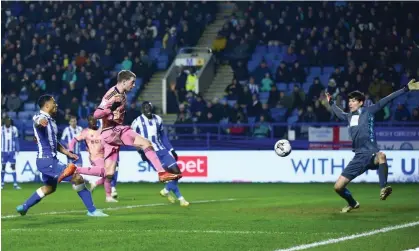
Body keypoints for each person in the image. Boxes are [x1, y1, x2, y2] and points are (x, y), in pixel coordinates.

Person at [327, 79, 419, 213]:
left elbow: (387, 99)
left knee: (382, 156)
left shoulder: (368, 111)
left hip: (371, 154)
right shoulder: (348, 117)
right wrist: (331, 102)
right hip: (358, 157)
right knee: (338, 187)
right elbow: (338, 112)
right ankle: (352, 203)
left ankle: (383, 187)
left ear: (360, 103)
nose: (350, 103)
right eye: (350, 101)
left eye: (353, 101)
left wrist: (405, 89)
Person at [16, 95, 107, 217]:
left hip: (48, 160)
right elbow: (37, 120)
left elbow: (55, 143)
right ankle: (92, 210)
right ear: (47, 105)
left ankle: (24, 207)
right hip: (47, 161)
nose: (56, 105)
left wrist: (67, 152)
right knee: (77, 177)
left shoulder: (51, 121)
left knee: (49, 188)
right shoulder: (41, 117)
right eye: (54, 103)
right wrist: (39, 122)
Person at [93, 70, 181, 189]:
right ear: (124, 82)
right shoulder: (111, 95)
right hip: (110, 131)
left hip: (117, 129)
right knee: (143, 144)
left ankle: (162, 173)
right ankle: (161, 173)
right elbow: (96, 114)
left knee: (144, 144)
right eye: (132, 82)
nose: (134, 85)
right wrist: (110, 109)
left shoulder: (123, 94)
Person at [132, 101, 189, 206]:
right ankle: (181, 199)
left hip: (162, 151)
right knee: (168, 177)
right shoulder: (136, 122)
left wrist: (171, 150)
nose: (147, 109)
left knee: (177, 173)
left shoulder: (158, 119)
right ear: (142, 110)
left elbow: (163, 136)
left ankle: (166, 191)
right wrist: (141, 153)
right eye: (145, 108)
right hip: (151, 154)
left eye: (149, 107)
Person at [68, 115, 117, 202]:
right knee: (107, 173)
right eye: (91, 120)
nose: (93, 122)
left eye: (94, 120)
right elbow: (73, 140)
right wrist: (71, 150)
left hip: (105, 156)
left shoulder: (101, 131)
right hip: (95, 157)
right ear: (88, 121)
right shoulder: (85, 132)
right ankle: (78, 170)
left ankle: (107, 195)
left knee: (109, 175)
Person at [1, 117, 21, 189]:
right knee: (3, 167)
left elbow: (16, 140)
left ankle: (15, 184)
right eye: (7, 121)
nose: (8, 122)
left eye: (9, 121)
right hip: (3, 151)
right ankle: (2, 183)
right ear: (5, 122)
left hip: (12, 151)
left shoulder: (14, 129)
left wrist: (17, 148)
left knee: (13, 167)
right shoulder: (1, 129)